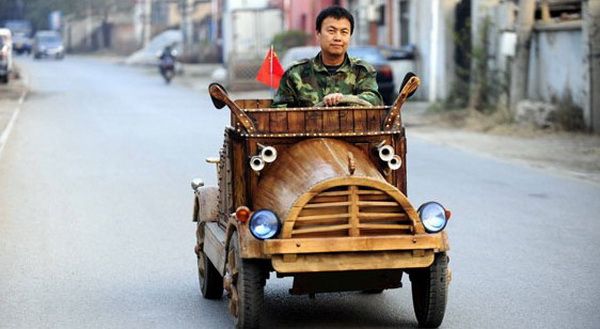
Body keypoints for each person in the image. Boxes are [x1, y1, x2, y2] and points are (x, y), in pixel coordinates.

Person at [272, 6, 383, 108]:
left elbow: (374, 99)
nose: (338, 38)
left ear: (350, 36)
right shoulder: (295, 73)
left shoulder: (362, 70)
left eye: (344, 32)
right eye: (331, 31)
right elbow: (279, 112)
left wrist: (344, 99)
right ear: (318, 34)